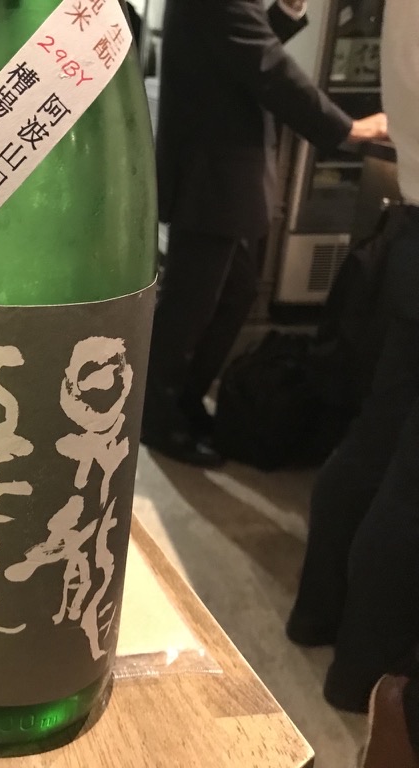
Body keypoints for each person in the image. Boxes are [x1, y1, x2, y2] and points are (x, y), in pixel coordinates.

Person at [140, 0, 388, 466]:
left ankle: (182, 403)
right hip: (212, 170)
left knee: (232, 294)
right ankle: (156, 417)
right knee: (190, 306)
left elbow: (243, 46)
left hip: (221, 169)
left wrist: (287, 11)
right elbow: (267, 65)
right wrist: (348, 128)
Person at [286, 0, 419, 731]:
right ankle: (366, 675)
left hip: (411, 233)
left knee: (375, 445)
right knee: (407, 482)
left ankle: (318, 619)